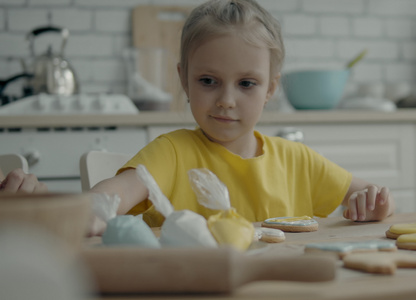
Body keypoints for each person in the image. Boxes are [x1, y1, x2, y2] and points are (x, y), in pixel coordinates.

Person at [90, 0, 394, 234]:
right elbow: (113, 195)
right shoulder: (171, 154)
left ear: (270, 88)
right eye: (208, 81)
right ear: (184, 79)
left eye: (246, 84)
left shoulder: (297, 161)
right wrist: (87, 211)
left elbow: (377, 199)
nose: (226, 101)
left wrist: (374, 205)